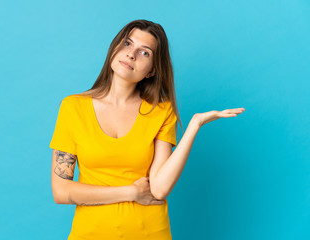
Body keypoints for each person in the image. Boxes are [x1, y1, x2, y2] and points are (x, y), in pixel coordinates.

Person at [49, 19, 245, 240]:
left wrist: (194, 126)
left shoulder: (161, 111)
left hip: (150, 233)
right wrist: (130, 192)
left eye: (145, 53)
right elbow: (61, 191)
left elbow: (159, 189)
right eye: (127, 44)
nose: (131, 54)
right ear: (114, 48)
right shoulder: (73, 107)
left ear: (152, 70)